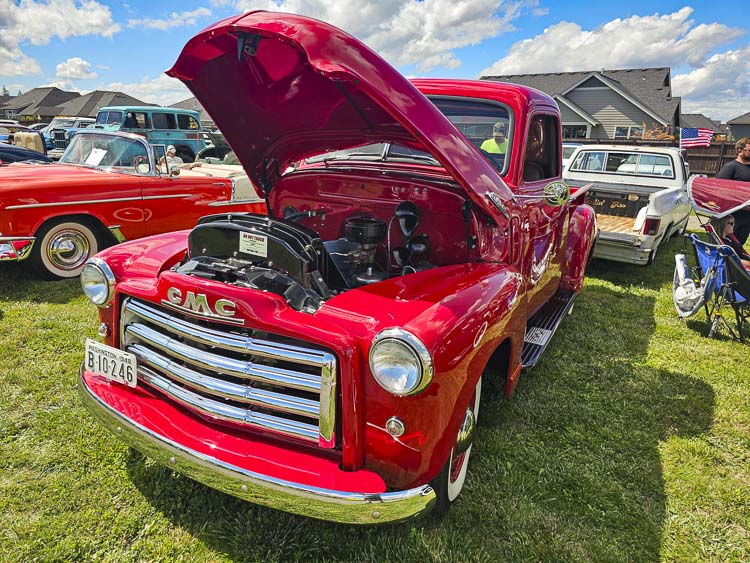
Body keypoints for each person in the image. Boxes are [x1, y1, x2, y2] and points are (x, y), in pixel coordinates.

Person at [717, 137, 750, 245]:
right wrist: (740, 205)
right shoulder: (730, 168)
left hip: (747, 217)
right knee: (725, 244)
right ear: (739, 151)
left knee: (739, 244)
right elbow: (720, 191)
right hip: (732, 215)